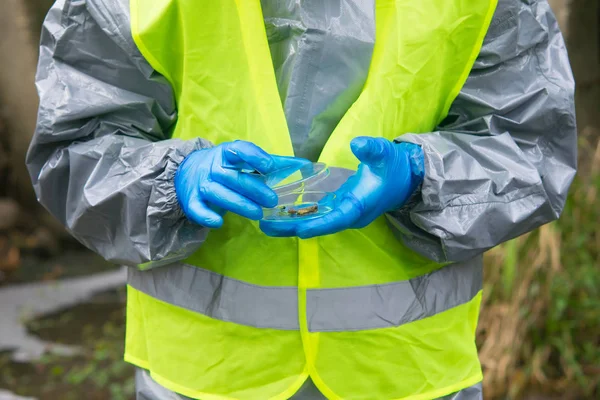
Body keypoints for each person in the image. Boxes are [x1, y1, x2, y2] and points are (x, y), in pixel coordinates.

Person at [27, 0, 576, 399]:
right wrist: (168, 181)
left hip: (403, 376)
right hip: (208, 377)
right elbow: (75, 149)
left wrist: (421, 175)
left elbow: (531, 146)